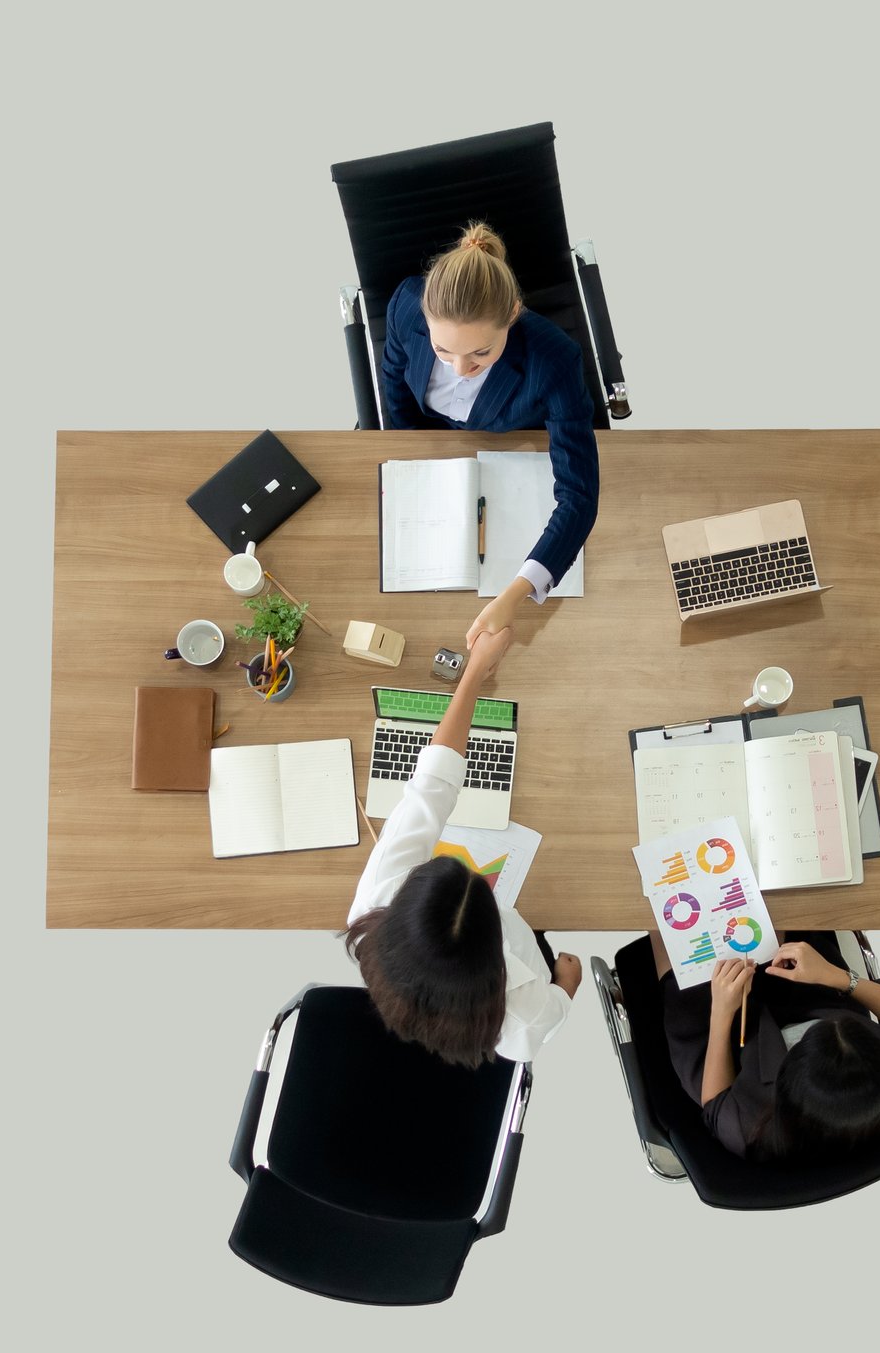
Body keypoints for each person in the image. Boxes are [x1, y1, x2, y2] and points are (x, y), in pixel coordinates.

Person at [343, 627, 579, 1066]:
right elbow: (544, 1018)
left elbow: (432, 783)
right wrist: (566, 984)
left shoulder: (376, 905)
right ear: (496, 949)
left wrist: (474, 673)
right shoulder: (521, 1013)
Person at [377, 222, 601, 650]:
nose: (459, 368)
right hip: (433, 448)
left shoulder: (552, 360)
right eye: (444, 351)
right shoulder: (406, 303)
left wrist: (515, 593)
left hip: (509, 448)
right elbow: (393, 379)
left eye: (481, 353)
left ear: (513, 316)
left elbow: (579, 496)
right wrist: (412, 456)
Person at [651, 933, 880, 1161]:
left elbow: (715, 1101)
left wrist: (722, 1013)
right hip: (817, 994)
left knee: (678, 941)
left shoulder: (751, 1126)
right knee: (776, 915)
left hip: (738, 1050)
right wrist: (840, 979)